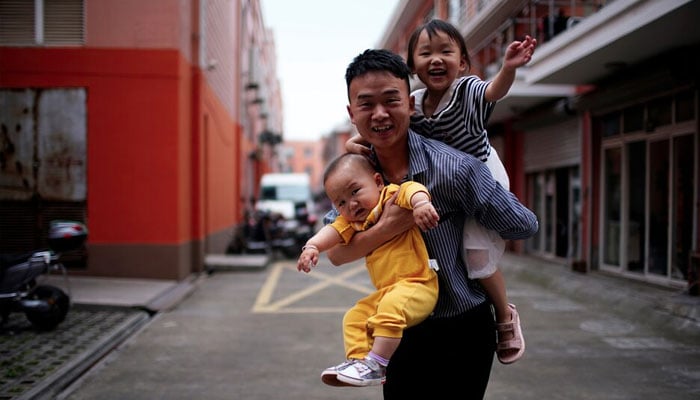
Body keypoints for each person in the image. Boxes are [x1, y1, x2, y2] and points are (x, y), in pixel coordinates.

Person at [328, 48, 538, 398]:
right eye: (366, 104)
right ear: (352, 113)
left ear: (409, 104)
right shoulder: (355, 178)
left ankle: (506, 314)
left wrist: (476, 207)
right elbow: (335, 252)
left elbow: (524, 225)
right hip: (395, 330)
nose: (380, 114)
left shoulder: (454, 168)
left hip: (463, 327)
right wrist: (392, 225)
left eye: (391, 100)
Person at [297, 153, 440, 387]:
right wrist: (312, 246)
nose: (351, 204)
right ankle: (359, 362)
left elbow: (413, 188)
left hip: (418, 284)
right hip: (389, 290)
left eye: (355, 192)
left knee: (390, 309)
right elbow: (331, 232)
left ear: (377, 182)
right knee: (354, 317)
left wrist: (421, 204)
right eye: (340, 203)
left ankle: (377, 364)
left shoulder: (390, 196)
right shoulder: (352, 221)